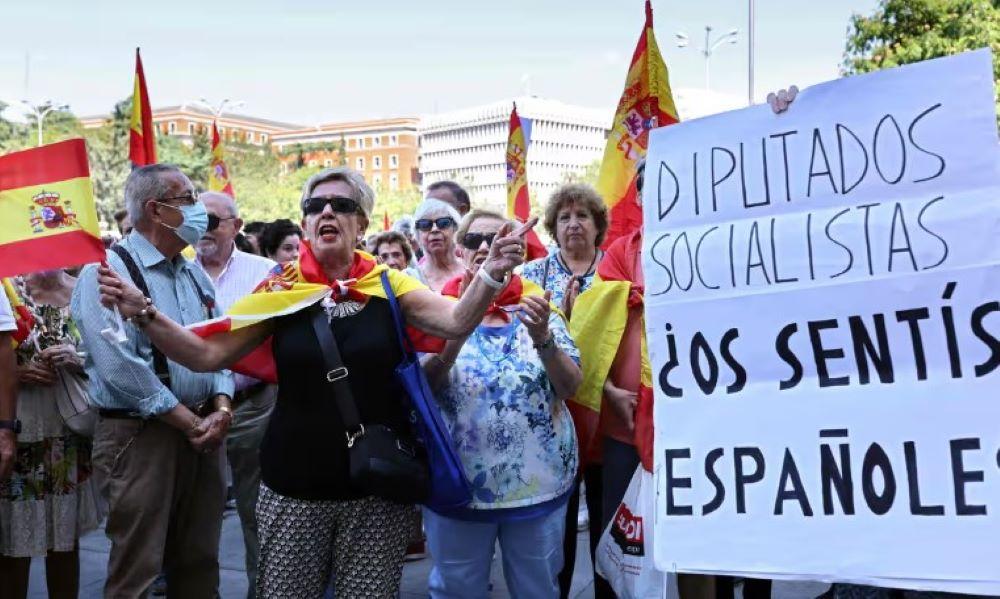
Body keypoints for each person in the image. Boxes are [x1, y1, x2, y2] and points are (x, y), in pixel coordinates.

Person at [94, 166, 533, 598]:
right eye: (315, 205)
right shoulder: (279, 288)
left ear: (361, 222)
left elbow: (456, 321)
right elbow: (206, 354)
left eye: (341, 205)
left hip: (377, 487)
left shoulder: (387, 283)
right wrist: (144, 312)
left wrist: (492, 272)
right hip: (293, 486)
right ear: (304, 222)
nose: (327, 212)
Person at [71, 164, 235, 598]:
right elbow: (119, 368)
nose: (200, 210)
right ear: (156, 210)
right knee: (138, 567)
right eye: (188, 199)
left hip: (204, 431)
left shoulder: (192, 272)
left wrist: (220, 407)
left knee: (200, 559)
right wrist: (188, 422)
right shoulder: (105, 273)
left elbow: (218, 346)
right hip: (142, 436)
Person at [419, 209, 582, 599]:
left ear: (516, 252)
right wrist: (458, 329)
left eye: (497, 239)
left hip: (537, 490)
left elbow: (570, 386)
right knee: (457, 590)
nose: (486, 248)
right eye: (475, 240)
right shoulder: (434, 308)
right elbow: (424, 386)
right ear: (460, 251)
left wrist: (543, 337)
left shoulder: (539, 306)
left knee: (538, 589)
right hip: (457, 488)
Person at [521, 183, 610, 598]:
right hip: (552, 414)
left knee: (608, 518)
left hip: (608, 409)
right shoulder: (533, 274)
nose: (574, 224)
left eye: (583, 216)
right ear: (554, 228)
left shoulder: (616, 268)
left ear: (598, 225)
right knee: (557, 528)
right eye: (564, 217)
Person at [0, 271, 104, 599]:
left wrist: (78, 359)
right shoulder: (9, 291)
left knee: (65, 541)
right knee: (14, 542)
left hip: (67, 429)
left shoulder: (82, 290)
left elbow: (110, 352)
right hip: (18, 430)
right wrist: (16, 373)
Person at [194, 191, 277, 598]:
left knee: (257, 515)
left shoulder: (268, 273)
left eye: (210, 220)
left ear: (236, 227)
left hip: (253, 410)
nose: (201, 229)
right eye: (194, 218)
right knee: (191, 519)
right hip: (185, 414)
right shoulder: (171, 270)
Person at [413, 198, 464, 292]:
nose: (434, 229)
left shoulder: (471, 269)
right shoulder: (411, 278)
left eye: (443, 223)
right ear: (418, 235)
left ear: (456, 230)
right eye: (425, 225)